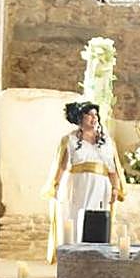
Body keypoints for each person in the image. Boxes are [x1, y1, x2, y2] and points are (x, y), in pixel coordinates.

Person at [43, 101, 125, 254]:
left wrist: (115, 188)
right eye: (90, 115)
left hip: (101, 186)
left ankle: (96, 255)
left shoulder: (106, 141)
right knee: (75, 218)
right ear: (80, 118)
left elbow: (113, 169)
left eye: (96, 115)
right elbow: (61, 165)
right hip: (77, 185)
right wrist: (55, 186)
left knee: (96, 220)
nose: (94, 118)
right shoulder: (70, 140)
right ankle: (74, 255)